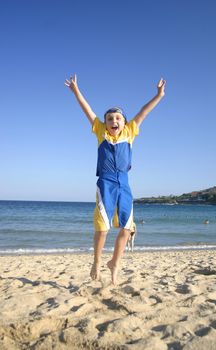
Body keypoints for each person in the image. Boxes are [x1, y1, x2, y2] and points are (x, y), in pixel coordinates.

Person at [65, 74, 166, 284]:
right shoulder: (101, 132)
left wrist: (159, 95)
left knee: (127, 229)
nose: (113, 121)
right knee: (102, 228)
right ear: (105, 123)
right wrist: (76, 91)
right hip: (106, 183)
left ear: (124, 122)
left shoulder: (130, 132)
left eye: (118, 118)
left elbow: (143, 113)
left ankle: (115, 263)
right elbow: (88, 111)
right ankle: (96, 261)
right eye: (110, 118)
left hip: (125, 183)